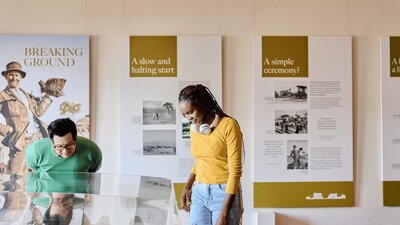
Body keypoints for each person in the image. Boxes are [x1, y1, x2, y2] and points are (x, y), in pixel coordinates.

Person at [179, 84, 243, 225]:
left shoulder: (228, 125)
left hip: (224, 192)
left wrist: (224, 214)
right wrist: (187, 186)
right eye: (184, 114)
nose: (188, 117)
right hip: (199, 191)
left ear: (202, 105)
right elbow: (200, 160)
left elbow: (235, 171)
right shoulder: (194, 128)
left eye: (190, 112)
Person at [0, 61, 53, 174]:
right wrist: (6, 129)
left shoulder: (26, 95)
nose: (14, 77)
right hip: (19, 142)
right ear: (5, 76)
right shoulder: (2, 95)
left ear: (21, 77)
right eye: (11, 74)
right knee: (17, 178)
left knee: (37, 178)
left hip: (37, 140)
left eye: (17, 75)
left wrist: (47, 94)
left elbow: (38, 112)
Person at [25, 118, 102, 172]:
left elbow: (92, 173)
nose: (65, 151)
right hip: (47, 193)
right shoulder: (35, 150)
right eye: (59, 146)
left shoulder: (92, 150)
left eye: (70, 145)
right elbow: (32, 170)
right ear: (51, 142)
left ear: (75, 139)